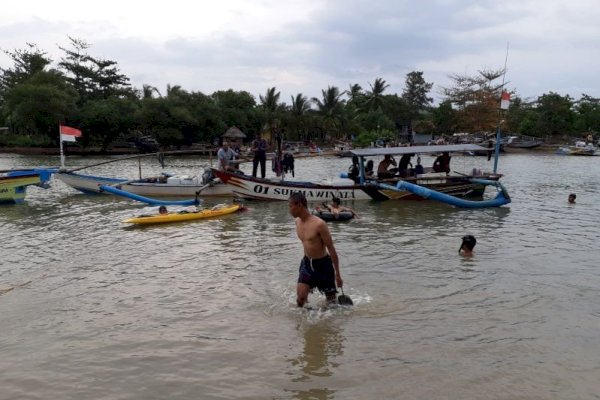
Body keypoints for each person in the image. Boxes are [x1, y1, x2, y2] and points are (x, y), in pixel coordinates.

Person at [288, 192, 343, 307]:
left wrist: (338, 275)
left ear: (300, 205)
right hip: (307, 264)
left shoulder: (319, 224)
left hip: (324, 265)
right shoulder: (297, 222)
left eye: (290, 206)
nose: (289, 210)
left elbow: (331, 249)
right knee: (300, 299)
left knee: (332, 304)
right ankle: (300, 324)